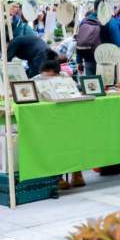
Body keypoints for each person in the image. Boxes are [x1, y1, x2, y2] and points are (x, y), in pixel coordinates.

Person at [32, 51, 86, 190]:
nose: (50, 79)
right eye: (47, 76)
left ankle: (77, 172)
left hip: (68, 117)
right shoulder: (35, 80)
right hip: (48, 120)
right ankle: (57, 176)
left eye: (53, 76)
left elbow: (75, 93)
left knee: (75, 140)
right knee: (54, 144)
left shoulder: (65, 77)